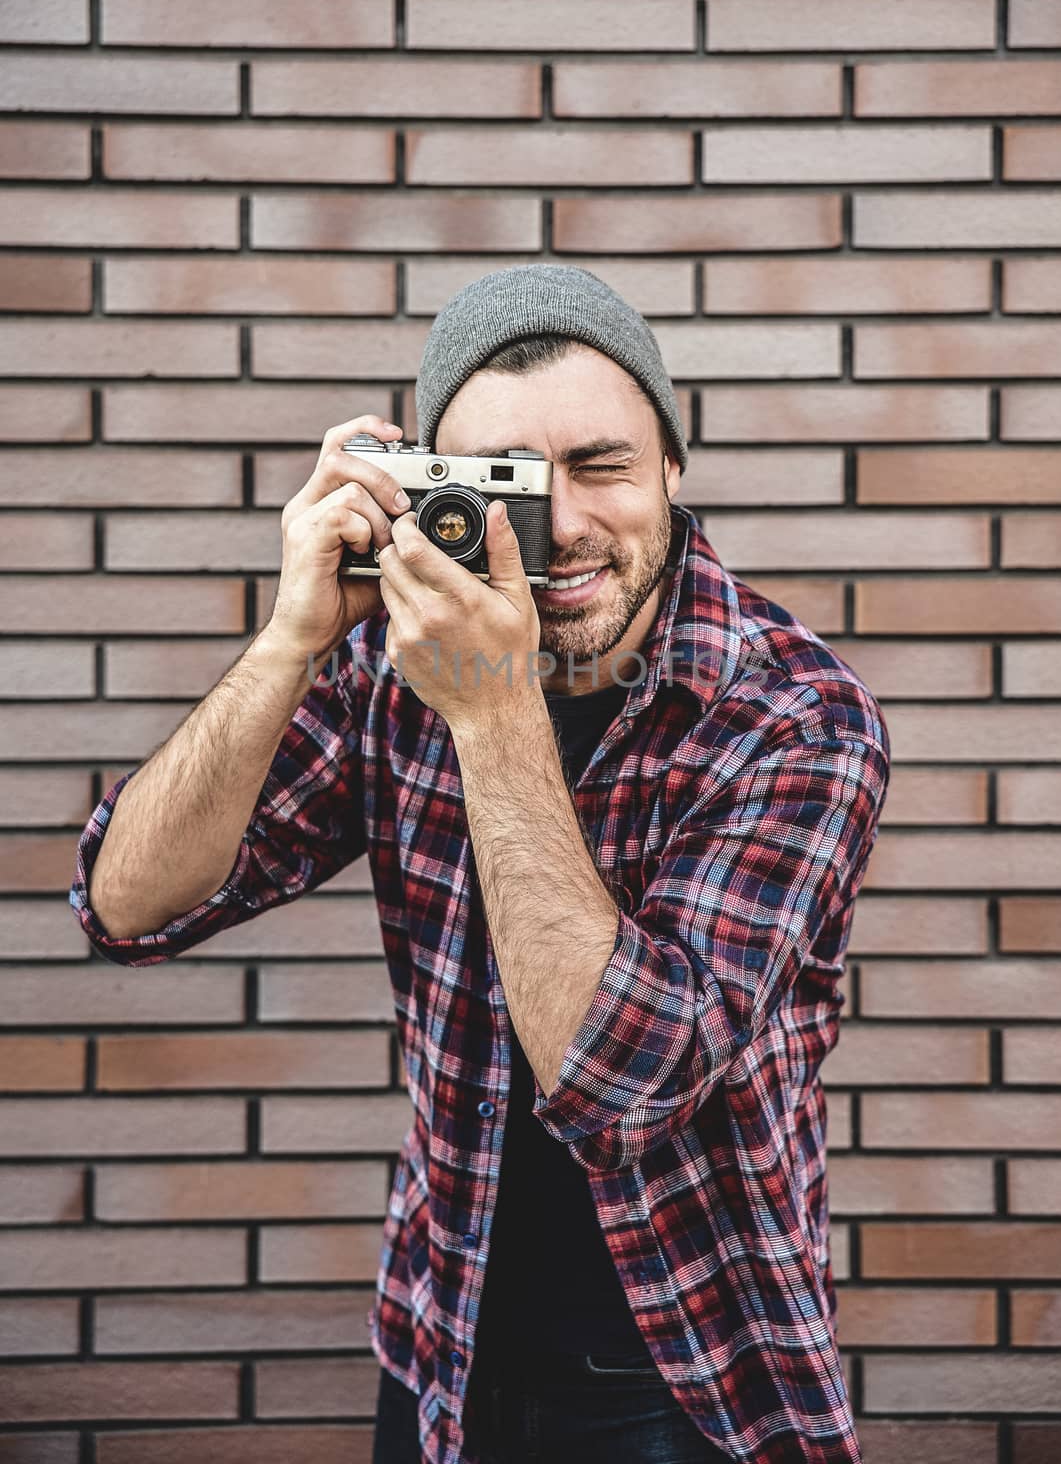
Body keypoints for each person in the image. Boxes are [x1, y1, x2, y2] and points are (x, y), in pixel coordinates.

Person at [70, 265, 890, 1464]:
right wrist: (293, 637)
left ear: (672, 465)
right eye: (503, 480)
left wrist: (493, 712)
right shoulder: (389, 671)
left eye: (601, 465)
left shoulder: (794, 716)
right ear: (427, 491)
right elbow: (123, 901)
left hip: (693, 1370)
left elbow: (624, 1081)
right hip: (442, 1333)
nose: (557, 526)